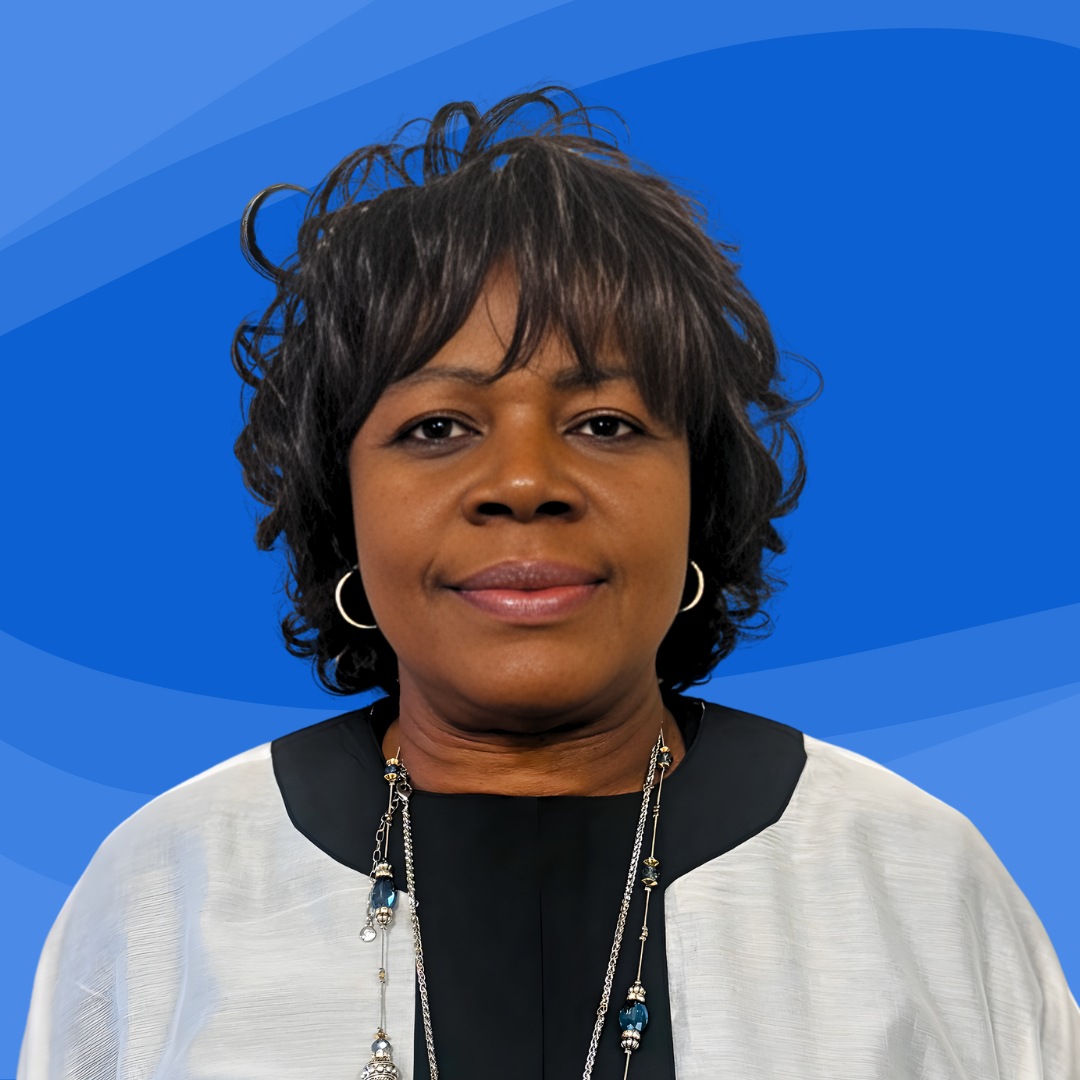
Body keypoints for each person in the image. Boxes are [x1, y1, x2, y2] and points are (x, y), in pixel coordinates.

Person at [18, 88, 1079, 1080]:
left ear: (698, 495)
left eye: (606, 425)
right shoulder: (171, 886)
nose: (525, 482)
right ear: (342, 508)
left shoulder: (913, 877)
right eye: (437, 427)